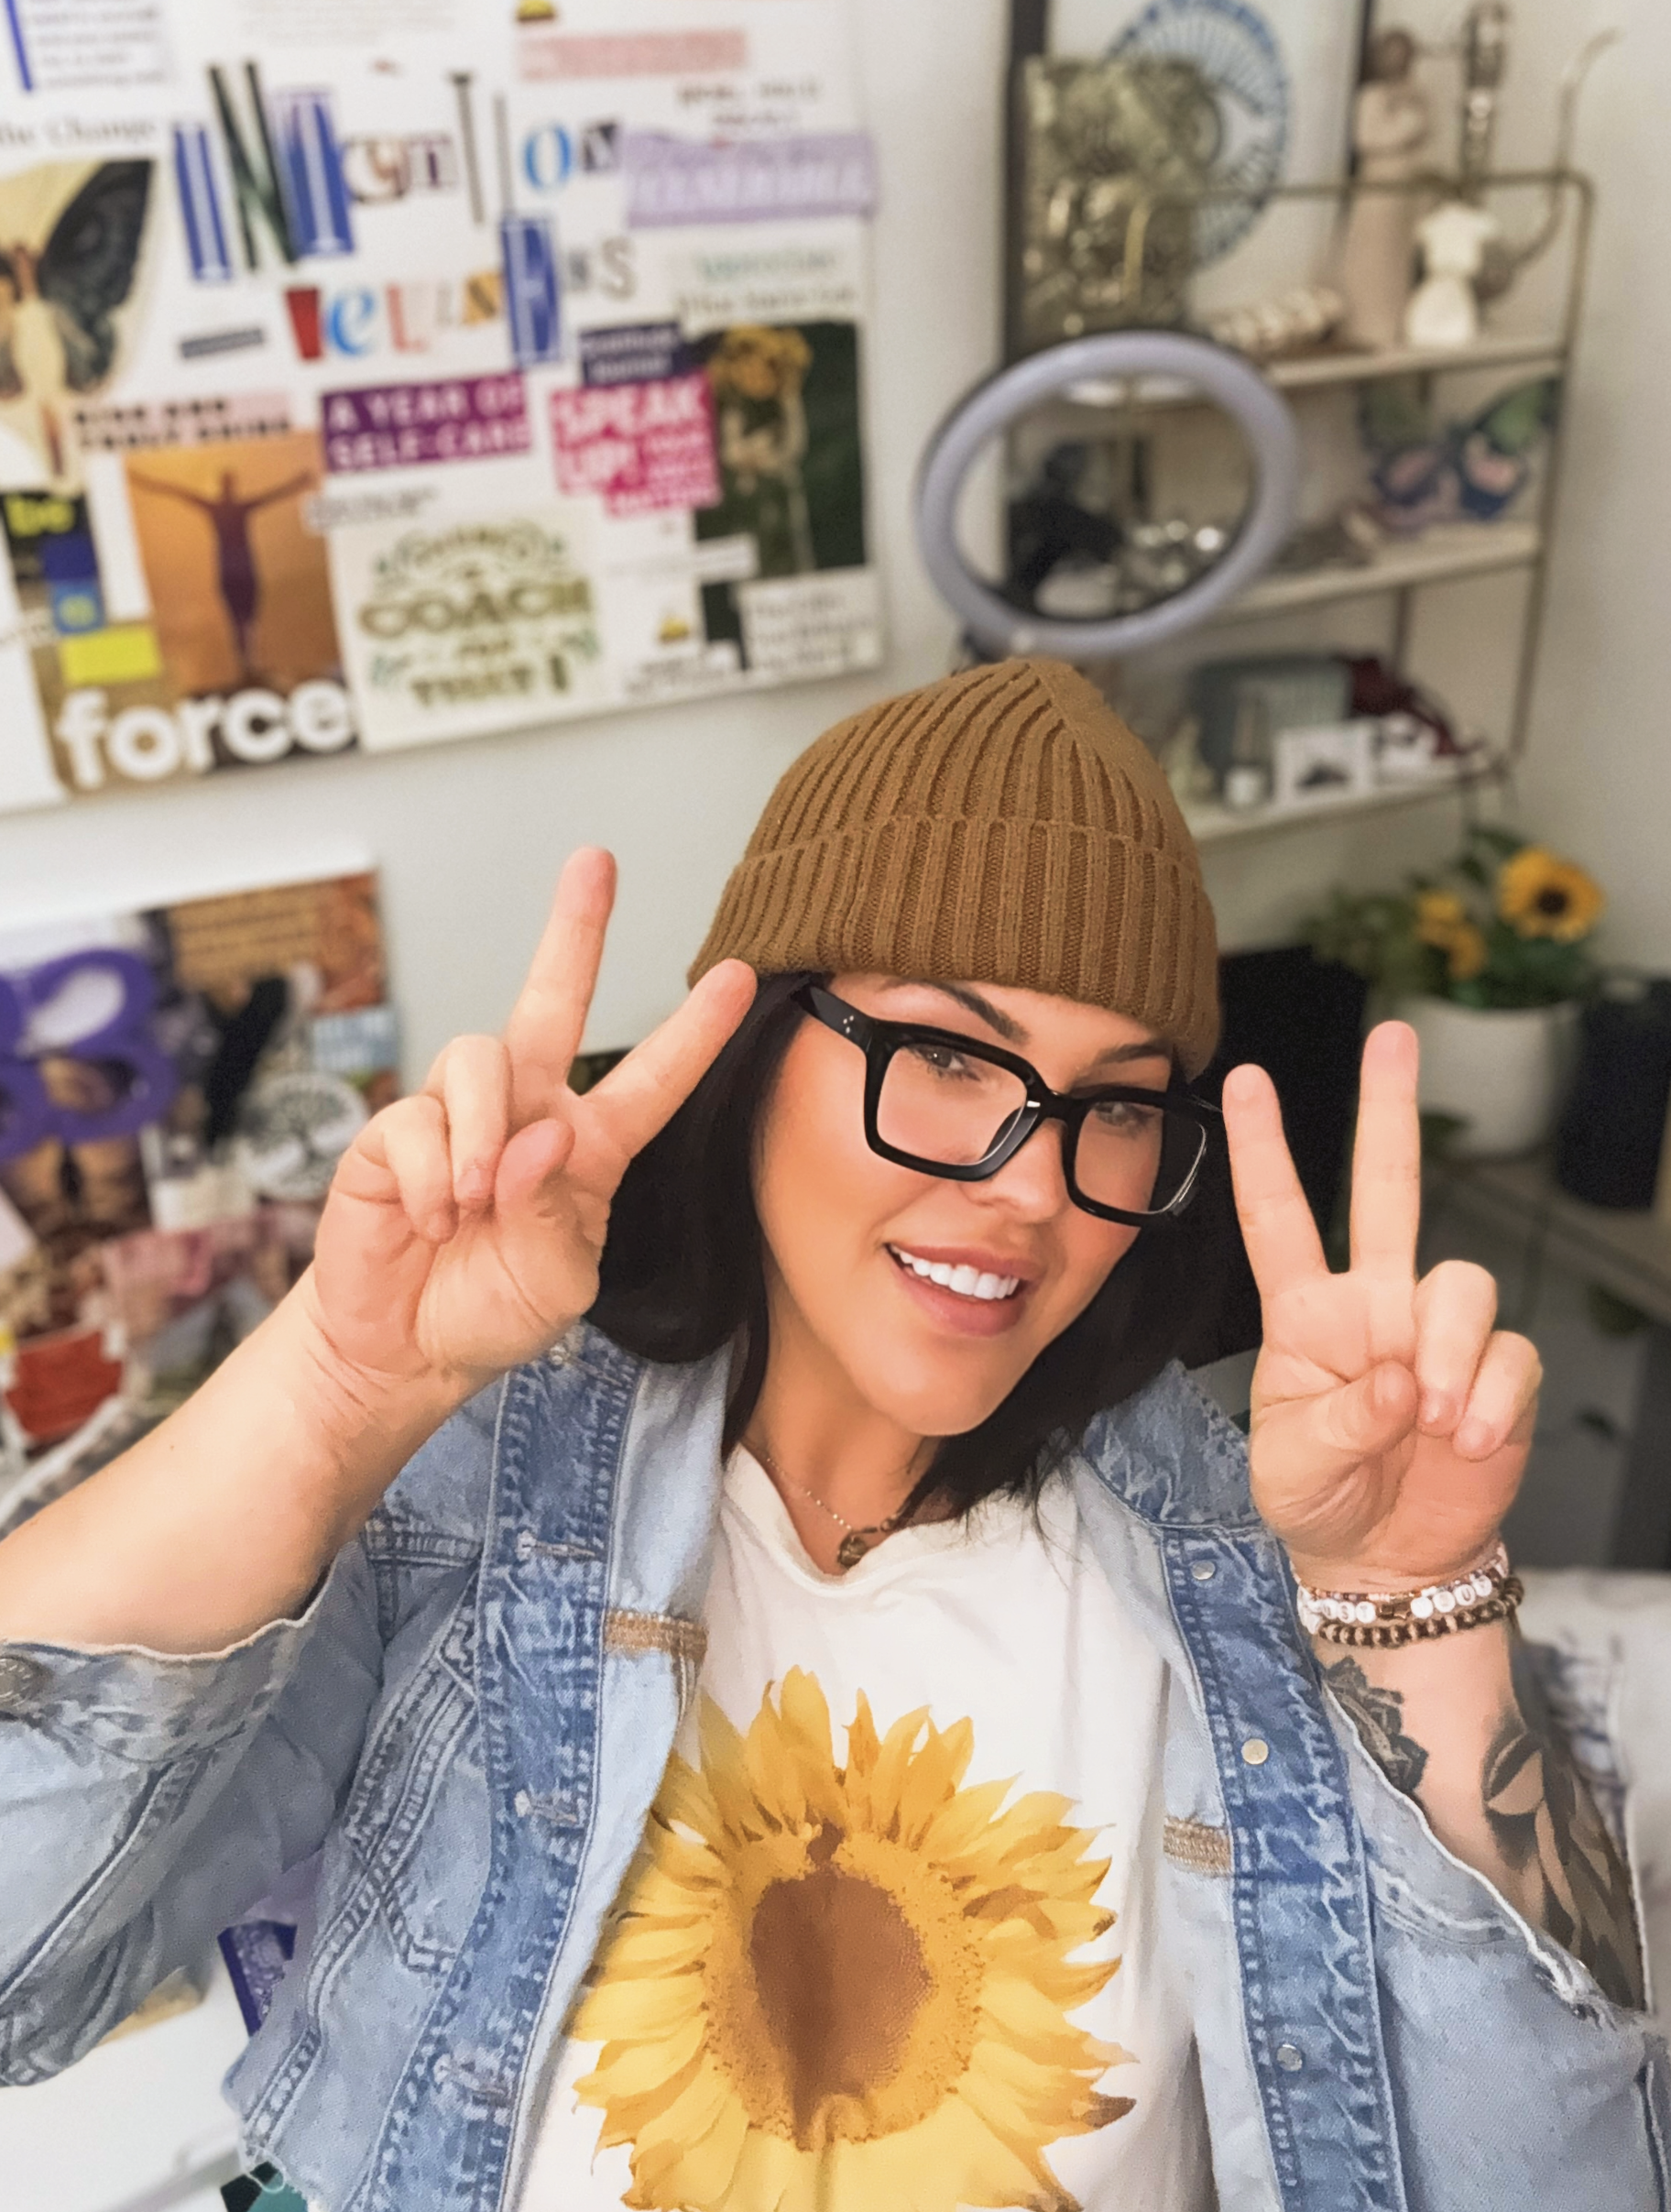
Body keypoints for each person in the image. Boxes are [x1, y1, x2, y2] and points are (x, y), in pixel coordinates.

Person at [0, 658, 1660, 2212]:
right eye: (947, 1053)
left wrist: (1413, 1599)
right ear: (754, 1045)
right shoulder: (478, 1490)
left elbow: (1560, 2175)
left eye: (1115, 1100)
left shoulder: (1249, 1574)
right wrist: (334, 1390)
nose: (1025, 1183)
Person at [127, 465, 314, 677]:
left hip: (234, 569)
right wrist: (141, 480)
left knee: (242, 620)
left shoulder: (224, 508)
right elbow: (176, 491)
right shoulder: (231, 509)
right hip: (240, 569)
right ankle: (246, 665)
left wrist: (142, 481)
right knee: (243, 619)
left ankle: (246, 664)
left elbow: (175, 492)